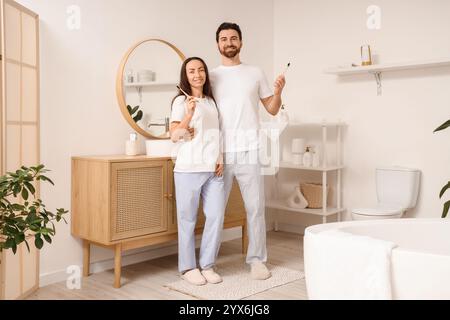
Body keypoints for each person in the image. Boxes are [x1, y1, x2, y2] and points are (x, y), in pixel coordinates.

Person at [210, 22, 286, 280]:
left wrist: (278, 92)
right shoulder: (210, 76)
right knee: (214, 211)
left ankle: (257, 260)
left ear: (241, 42)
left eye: (233, 38)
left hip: (250, 150)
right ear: (217, 44)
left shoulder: (255, 72)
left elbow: (272, 109)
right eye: (224, 39)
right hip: (219, 154)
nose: (229, 42)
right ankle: (208, 264)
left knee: (255, 208)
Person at [169, 57, 225, 286]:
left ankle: (208, 265)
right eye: (192, 71)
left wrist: (221, 158)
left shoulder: (212, 101)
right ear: (186, 75)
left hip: (213, 170)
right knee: (187, 220)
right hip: (188, 169)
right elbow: (174, 135)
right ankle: (188, 267)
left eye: (201, 70)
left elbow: (217, 133)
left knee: (215, 216)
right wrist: (189, 114)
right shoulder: (180, 101)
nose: (197, 75)